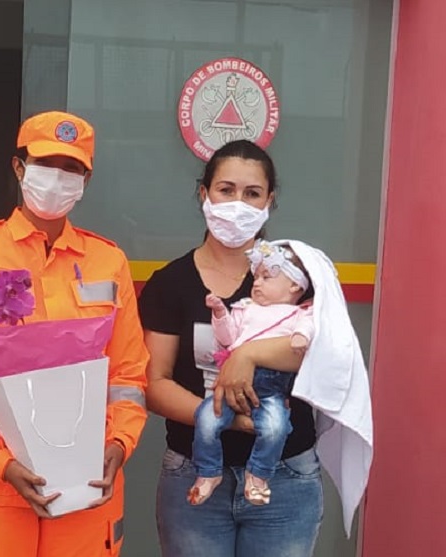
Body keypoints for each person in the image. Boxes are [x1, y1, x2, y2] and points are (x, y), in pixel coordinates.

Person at [0, 111, 148, 556]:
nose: (58, 179)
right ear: (19, 167)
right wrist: (2, 462)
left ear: (86, 180)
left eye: (72, 169)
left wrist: (119, 443)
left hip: (85, 486)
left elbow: (128, 378)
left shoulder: (109, 261)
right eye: (46, 164)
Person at [138, 139, 322, 557]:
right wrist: (229, 421)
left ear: (269, 202)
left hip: (285, 476)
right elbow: (154, 384)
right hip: (193, 472)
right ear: (204, 194)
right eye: (226, 190)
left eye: (252, 193)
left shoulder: (297, 280)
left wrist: (247, 355)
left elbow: (315, 353)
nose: (238, 203)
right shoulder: (169, 284)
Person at [190, 240, 314, 506]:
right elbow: (227, 339)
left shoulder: (300, 314)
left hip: (271, 389)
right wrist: (220, 314)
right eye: (256, 277)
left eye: (266, 278)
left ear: (295, 285)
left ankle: (258, 475)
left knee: (275, 428)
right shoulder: (244, 308)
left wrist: (301, 337)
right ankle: (208, 471)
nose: (256, 283)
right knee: (205, 418)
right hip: (230, 384)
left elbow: (308, 332)